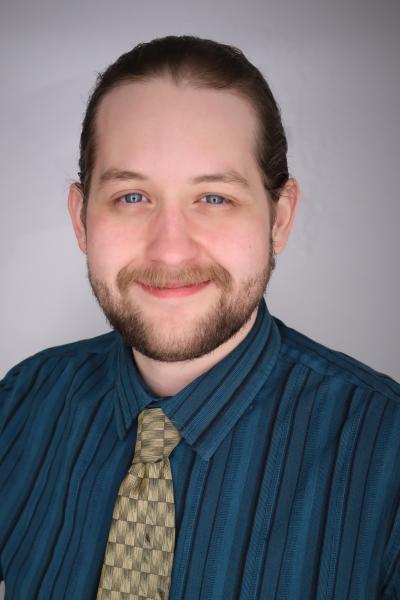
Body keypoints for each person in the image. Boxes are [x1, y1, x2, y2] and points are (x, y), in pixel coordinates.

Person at [0, 34, 399, 600]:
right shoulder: (18, 405)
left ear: (279, 219)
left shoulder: (388, 454)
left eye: (214, 198)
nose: (170, 251)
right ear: (81, 218)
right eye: (132, 197)